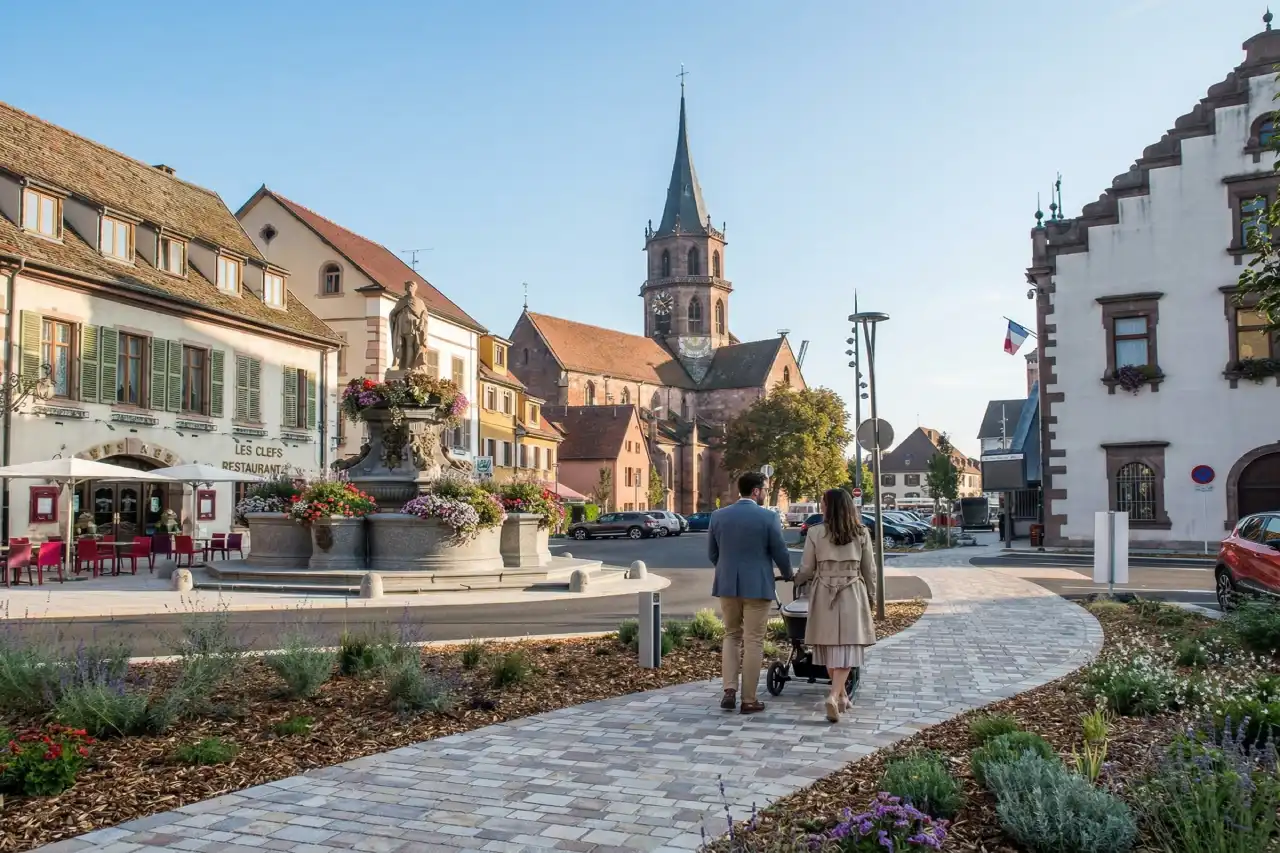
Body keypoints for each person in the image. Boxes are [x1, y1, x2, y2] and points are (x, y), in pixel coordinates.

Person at [708, 472, 793, 714]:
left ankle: (729, 690)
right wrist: (787, 573)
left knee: (731, 635)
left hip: (727, 586)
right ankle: (749, 699)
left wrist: (727, 570)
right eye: (765, 489)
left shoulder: (718, 516)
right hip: (758, 586)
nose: (766, 494)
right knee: (753, 640)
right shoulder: (768, 517)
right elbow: (780, 552)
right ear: (756, 491)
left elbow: (713, 554)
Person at [794, 487, 878, 723]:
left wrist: (797, 579)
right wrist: (871, 595)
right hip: (852, 590)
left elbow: (807, 568)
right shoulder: (861, 532)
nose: (820, 505)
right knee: (848, 646)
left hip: (824, 591)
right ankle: (836, 696)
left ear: (828, 506)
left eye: (822, 501)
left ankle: (838, 696)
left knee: (829, 646)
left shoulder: (815, 532)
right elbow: (869, 569)